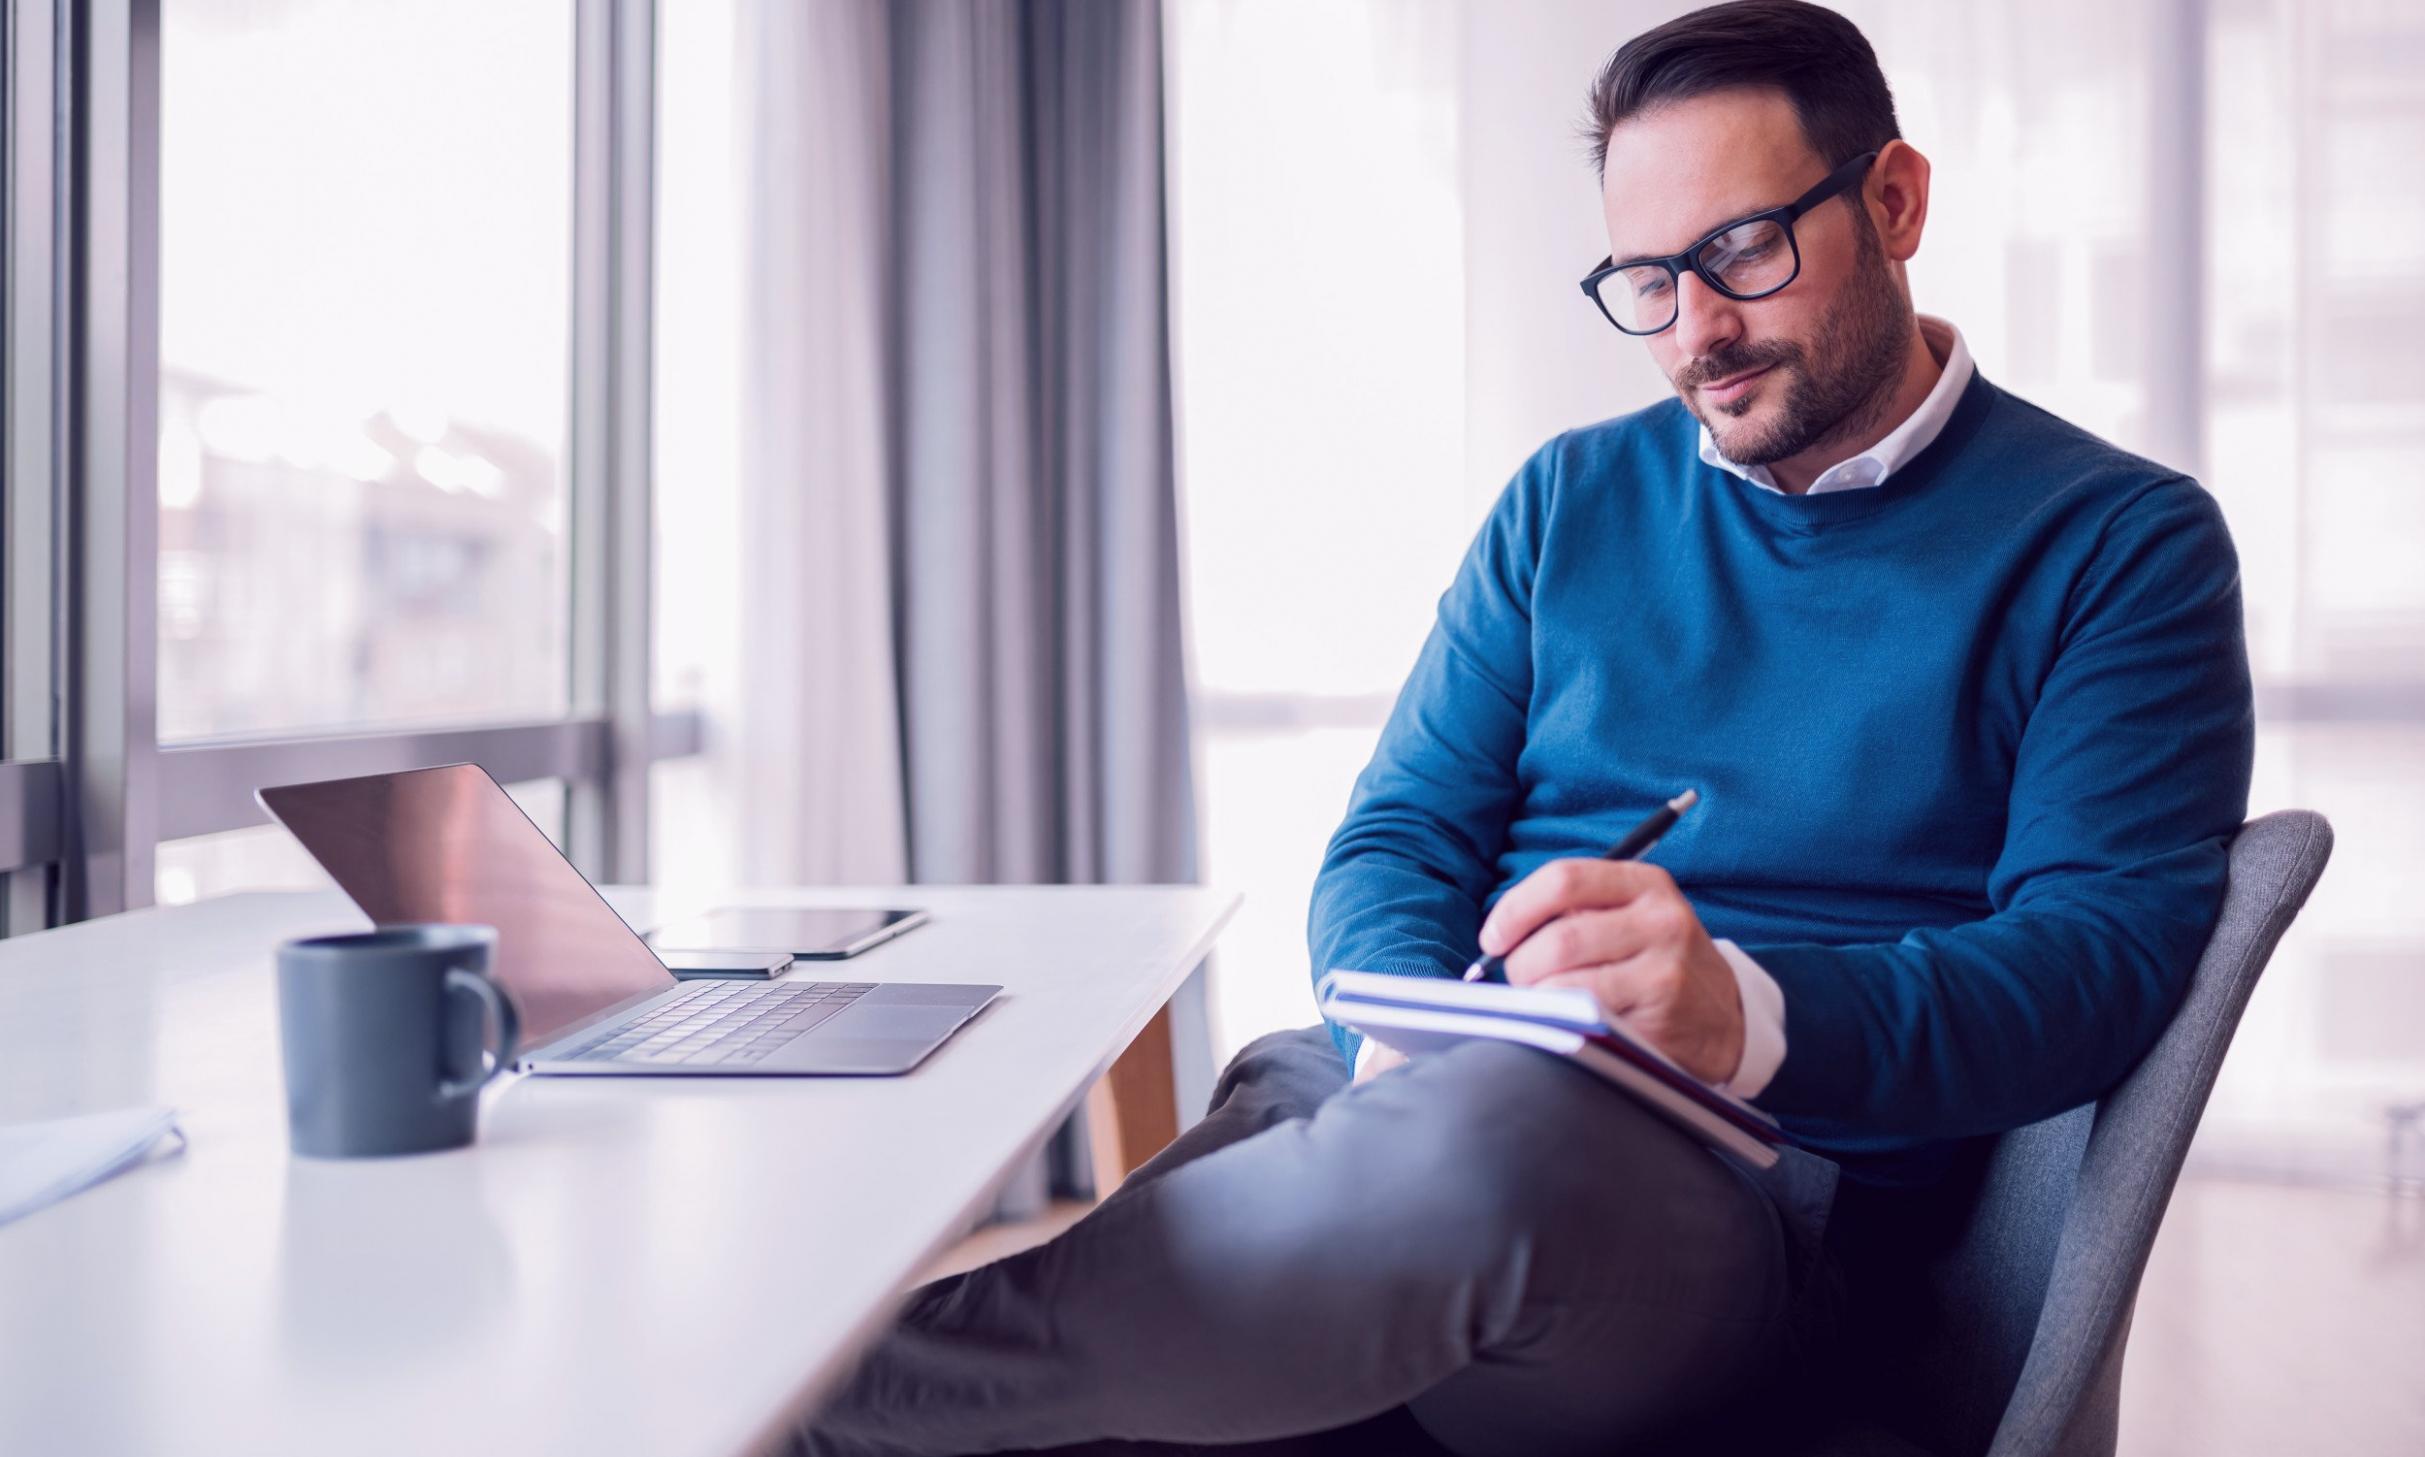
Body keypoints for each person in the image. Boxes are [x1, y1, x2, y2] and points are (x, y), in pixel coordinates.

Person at [794, 2, 2253, 1452]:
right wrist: (1407, 1031)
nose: (1697, 330)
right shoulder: (1565, 502)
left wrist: (1736, 1010)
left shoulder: (2116, 542)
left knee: (1474, 1161)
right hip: (1434, 1104)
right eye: (1645, 280)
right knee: (1283, 1114)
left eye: (1741, 250)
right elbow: (1398, 834)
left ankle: (789, 1412)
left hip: (1759, 1200)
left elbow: (2097, 962)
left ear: (1894, 198)